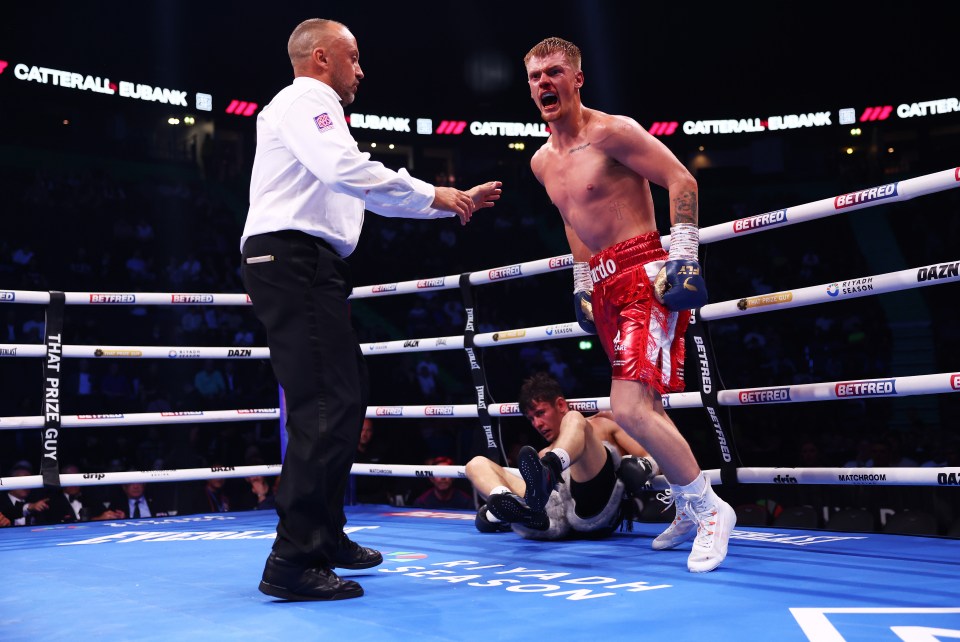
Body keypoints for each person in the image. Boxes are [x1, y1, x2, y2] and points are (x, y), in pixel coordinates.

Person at [240, 18, 502, 602]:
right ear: (322, 57)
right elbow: (350, 173)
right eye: (353, 58)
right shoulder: (309, 98)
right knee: (326, 406)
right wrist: (437, 194)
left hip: (306, 264)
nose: (362, 70)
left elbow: (358, 189)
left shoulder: (309, 110)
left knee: (345, 396)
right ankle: (292, 558)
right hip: (294, 260)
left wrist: (444, 203)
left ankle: (326, 535)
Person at [521, 37, 735, 572]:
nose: (543, 83)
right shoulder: (541, 161)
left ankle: (711, 510)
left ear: (577, 79)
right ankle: (687, 503)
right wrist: (581, 282)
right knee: (648, 407)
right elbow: (572, 221)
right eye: (534, 76)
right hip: (606, 284)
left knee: (631, 407)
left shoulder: (613, 131)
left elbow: (680, 178)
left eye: (553, 73)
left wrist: (683, 256)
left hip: (647, 271)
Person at [465, 373, 658, 539]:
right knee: (476, 464)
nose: (537, 423)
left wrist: (642, 466)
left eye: (540, 413)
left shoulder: (602, 423)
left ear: (560, 404)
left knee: (574, 419)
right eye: (531, 418)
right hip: (554, 519)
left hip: (595, 506)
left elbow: (653, 456)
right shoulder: (542, 453)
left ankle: (552, 469)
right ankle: (509, 506)